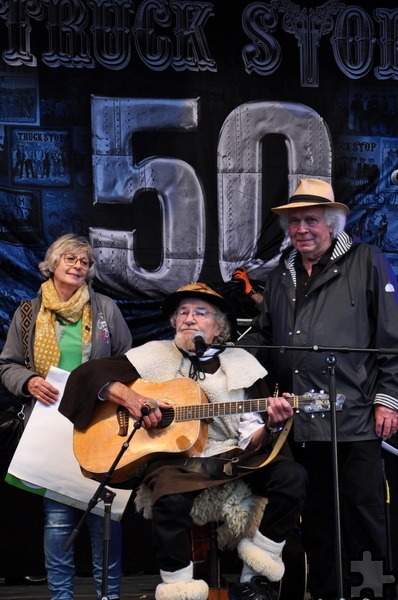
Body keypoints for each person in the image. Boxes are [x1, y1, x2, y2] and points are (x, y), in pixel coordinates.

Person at [59, 282, 307, 600]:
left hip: (234, 457)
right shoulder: (152, 356)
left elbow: (253, 438)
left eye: (200, 312)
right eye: (183, 312)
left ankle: (254, 578)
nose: (188, 318)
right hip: (179, 460)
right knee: (168, 494)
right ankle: (179, 588)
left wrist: (272, 426)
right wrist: (132, 398)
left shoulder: (245, 365)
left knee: (292, 477)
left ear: (220, 326)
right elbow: (86, 376)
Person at [238, 178, 398, 600]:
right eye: (294, 222)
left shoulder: (367, 261)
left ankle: (372, 595)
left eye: (310, 220)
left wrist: (388, 400)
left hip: (356, 418)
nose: (301, 229)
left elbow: (391, 337)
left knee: (363, 517)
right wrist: (217, 358)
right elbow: (265, 340)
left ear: (332, 222)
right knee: (319, 519)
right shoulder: (281, 274)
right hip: (301, 423)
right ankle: (329, 592)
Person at [0, 233, 132, 600]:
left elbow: (128, 361)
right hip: (49, 425)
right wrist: (28, 382)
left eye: (85, 262)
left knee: (104, 516)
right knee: (57, 520)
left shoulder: (105, 309)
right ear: (52, 264)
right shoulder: (27, 313)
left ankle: (109, 596)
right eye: (70, 260)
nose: (78, 267)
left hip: (101, 422)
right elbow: (7, 364)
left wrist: (107, 387)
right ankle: (61, 597)